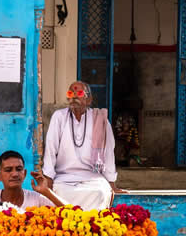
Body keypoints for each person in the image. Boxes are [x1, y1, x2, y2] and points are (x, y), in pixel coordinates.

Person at [41, 81, 125, 210]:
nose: (74, 97)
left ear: (89, 100)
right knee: (60, 193)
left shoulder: (99, 119)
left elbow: (108, 152)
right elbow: (50, 149)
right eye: (70, 93)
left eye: (79, 93)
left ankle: (93, 226)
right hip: (63, 177)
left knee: (101, 193)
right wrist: (48, 178)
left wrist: (111, 183)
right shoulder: (59, 117)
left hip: (93, 176)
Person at [0, 150, 67, 214]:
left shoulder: (37, 199)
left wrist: (47, 192)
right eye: (8, 170)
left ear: (24, 173)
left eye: (19, 169)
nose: (15, 174)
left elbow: (72, 212)